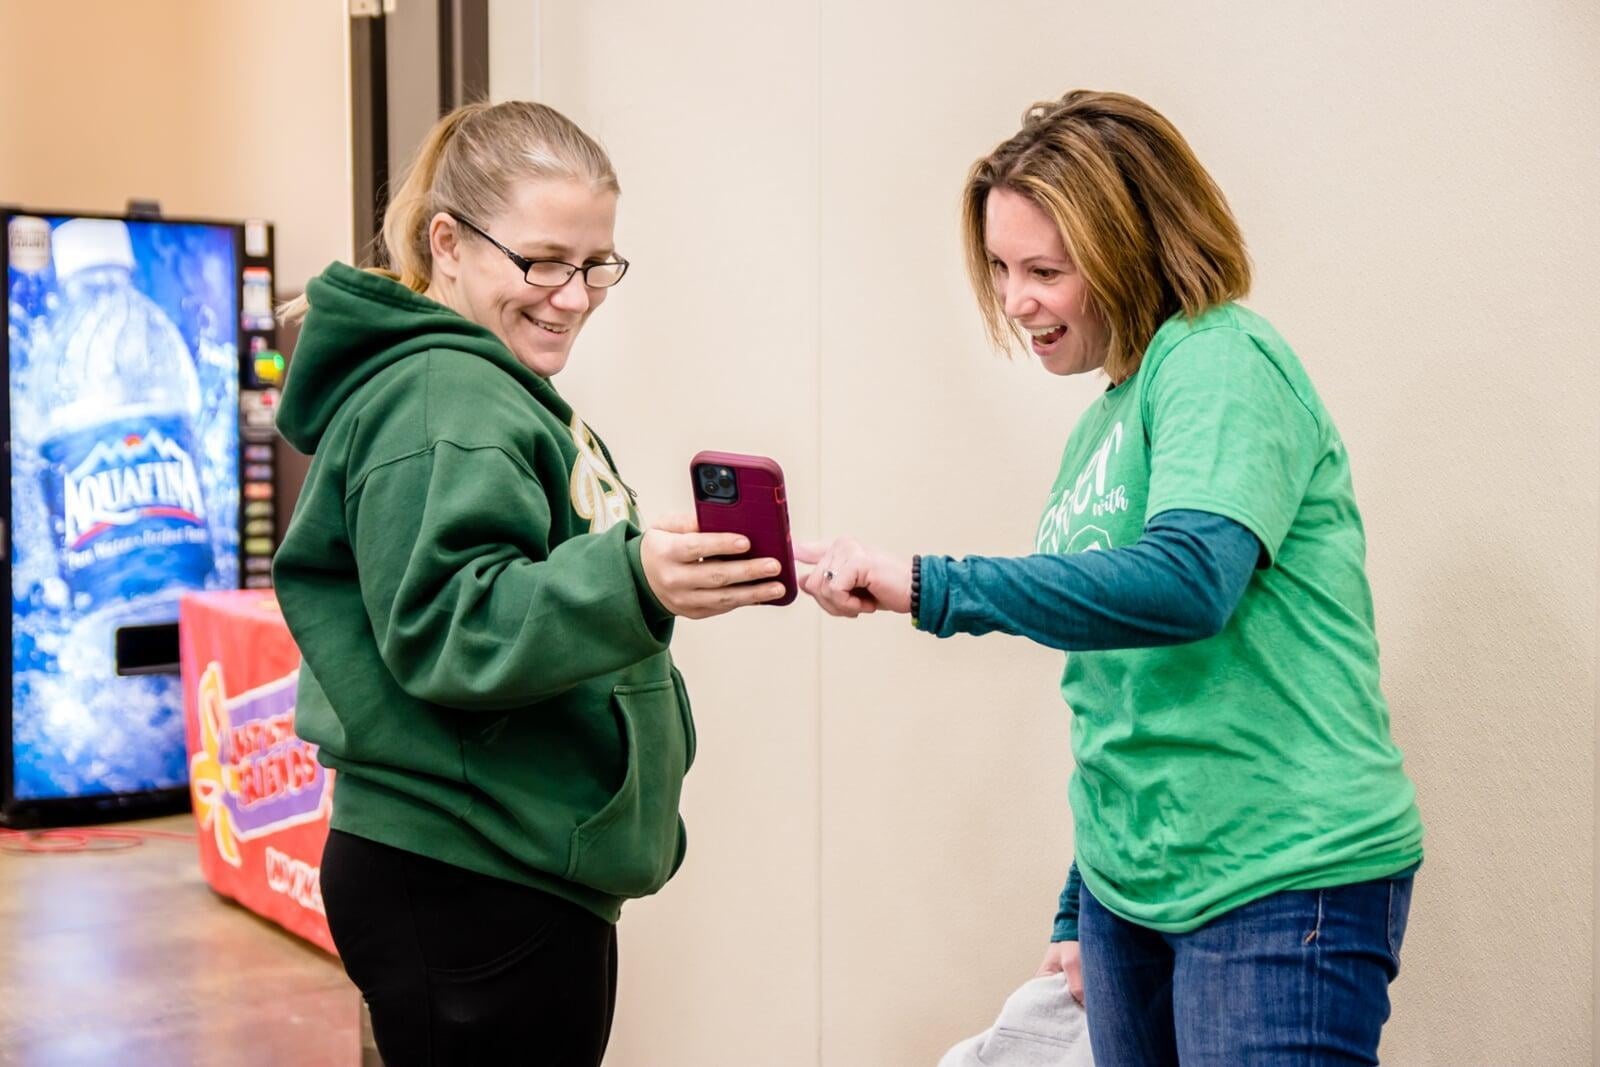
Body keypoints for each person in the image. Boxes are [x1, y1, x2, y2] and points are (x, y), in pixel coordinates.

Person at [797, 90, 1423, 1066]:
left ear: (1134, 245)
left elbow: (1187, 583)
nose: (1014, 301)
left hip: (1275, 873)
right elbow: (1117, 691)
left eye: (1044, 269)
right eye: (1001, 269)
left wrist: (929, 582)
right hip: (1131, 890)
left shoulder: (1219, 360)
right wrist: (1076, 900)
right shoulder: (1105, 421)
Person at [272, 100, 788, 1067]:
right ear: (449, 243)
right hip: (467, 868)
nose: (575, 295)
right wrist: (633, 578)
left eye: (597, 265)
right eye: (544, 261)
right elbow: (449, 627)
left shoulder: (489, 387)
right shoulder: (445, 396)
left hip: (506, 861)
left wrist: (636, 567)